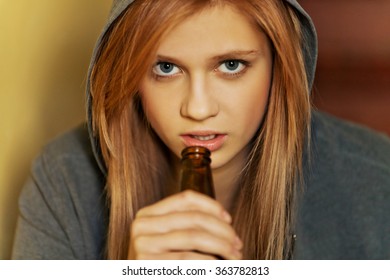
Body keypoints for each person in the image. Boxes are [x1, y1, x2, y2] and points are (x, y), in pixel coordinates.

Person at [12, 0, 390, 260]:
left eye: (230, 65)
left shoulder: (377, 180)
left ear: (281, 63)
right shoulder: (64, 182)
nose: (198, 109)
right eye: (165, 68)